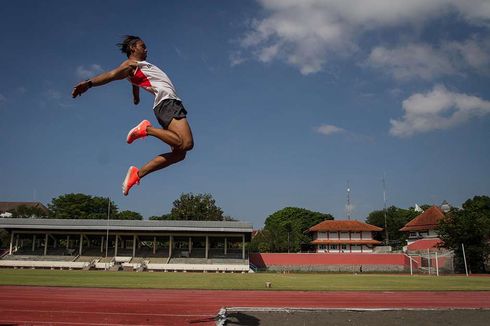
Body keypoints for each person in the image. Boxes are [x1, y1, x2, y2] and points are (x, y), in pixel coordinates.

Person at [72, 35, 194, 196]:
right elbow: (112, 74)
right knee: (186, 144)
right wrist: (89, 83)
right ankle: (147, 129)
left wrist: (136, 96)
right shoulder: (131, 65)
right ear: (133, 48)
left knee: (179, 154)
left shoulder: (137, 68)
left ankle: (137, 174)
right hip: (168, 102)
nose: (146, 49)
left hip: (164, 105)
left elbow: (134, 81)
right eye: (143, 46)